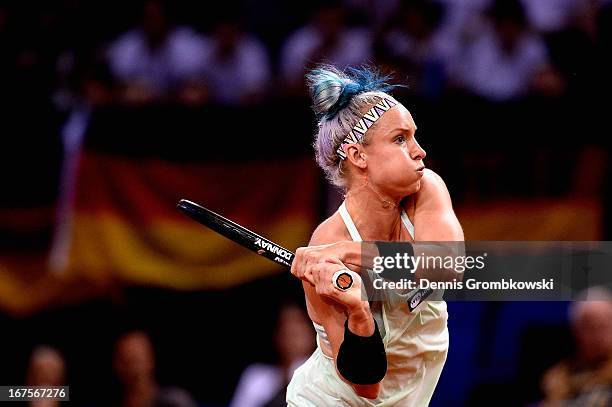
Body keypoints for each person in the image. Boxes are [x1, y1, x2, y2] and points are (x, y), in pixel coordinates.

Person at [286, 65, 464, 405]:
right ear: (357, 155)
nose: (419, 151)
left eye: (414, 136)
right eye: (400, 139)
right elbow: (366, 385)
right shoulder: (324, 244)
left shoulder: (426, 188)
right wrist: (358, 311)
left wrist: (350, 253)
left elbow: (447, 265)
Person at [229, 302, 315, 407]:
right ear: (277, 336)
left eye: (299, 324)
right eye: (285, 327)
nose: (292, 334)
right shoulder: (256, 376)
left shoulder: (323, 376)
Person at [540, 288, 612, 406]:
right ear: (576, 332)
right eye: (590, 328)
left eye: (604, 326)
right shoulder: (557, 378)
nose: (598, 335)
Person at [113, 330, 197, 407]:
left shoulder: (174, 401)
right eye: (125, 362)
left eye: (137, 360)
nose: (133, 368)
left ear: (151, 360)